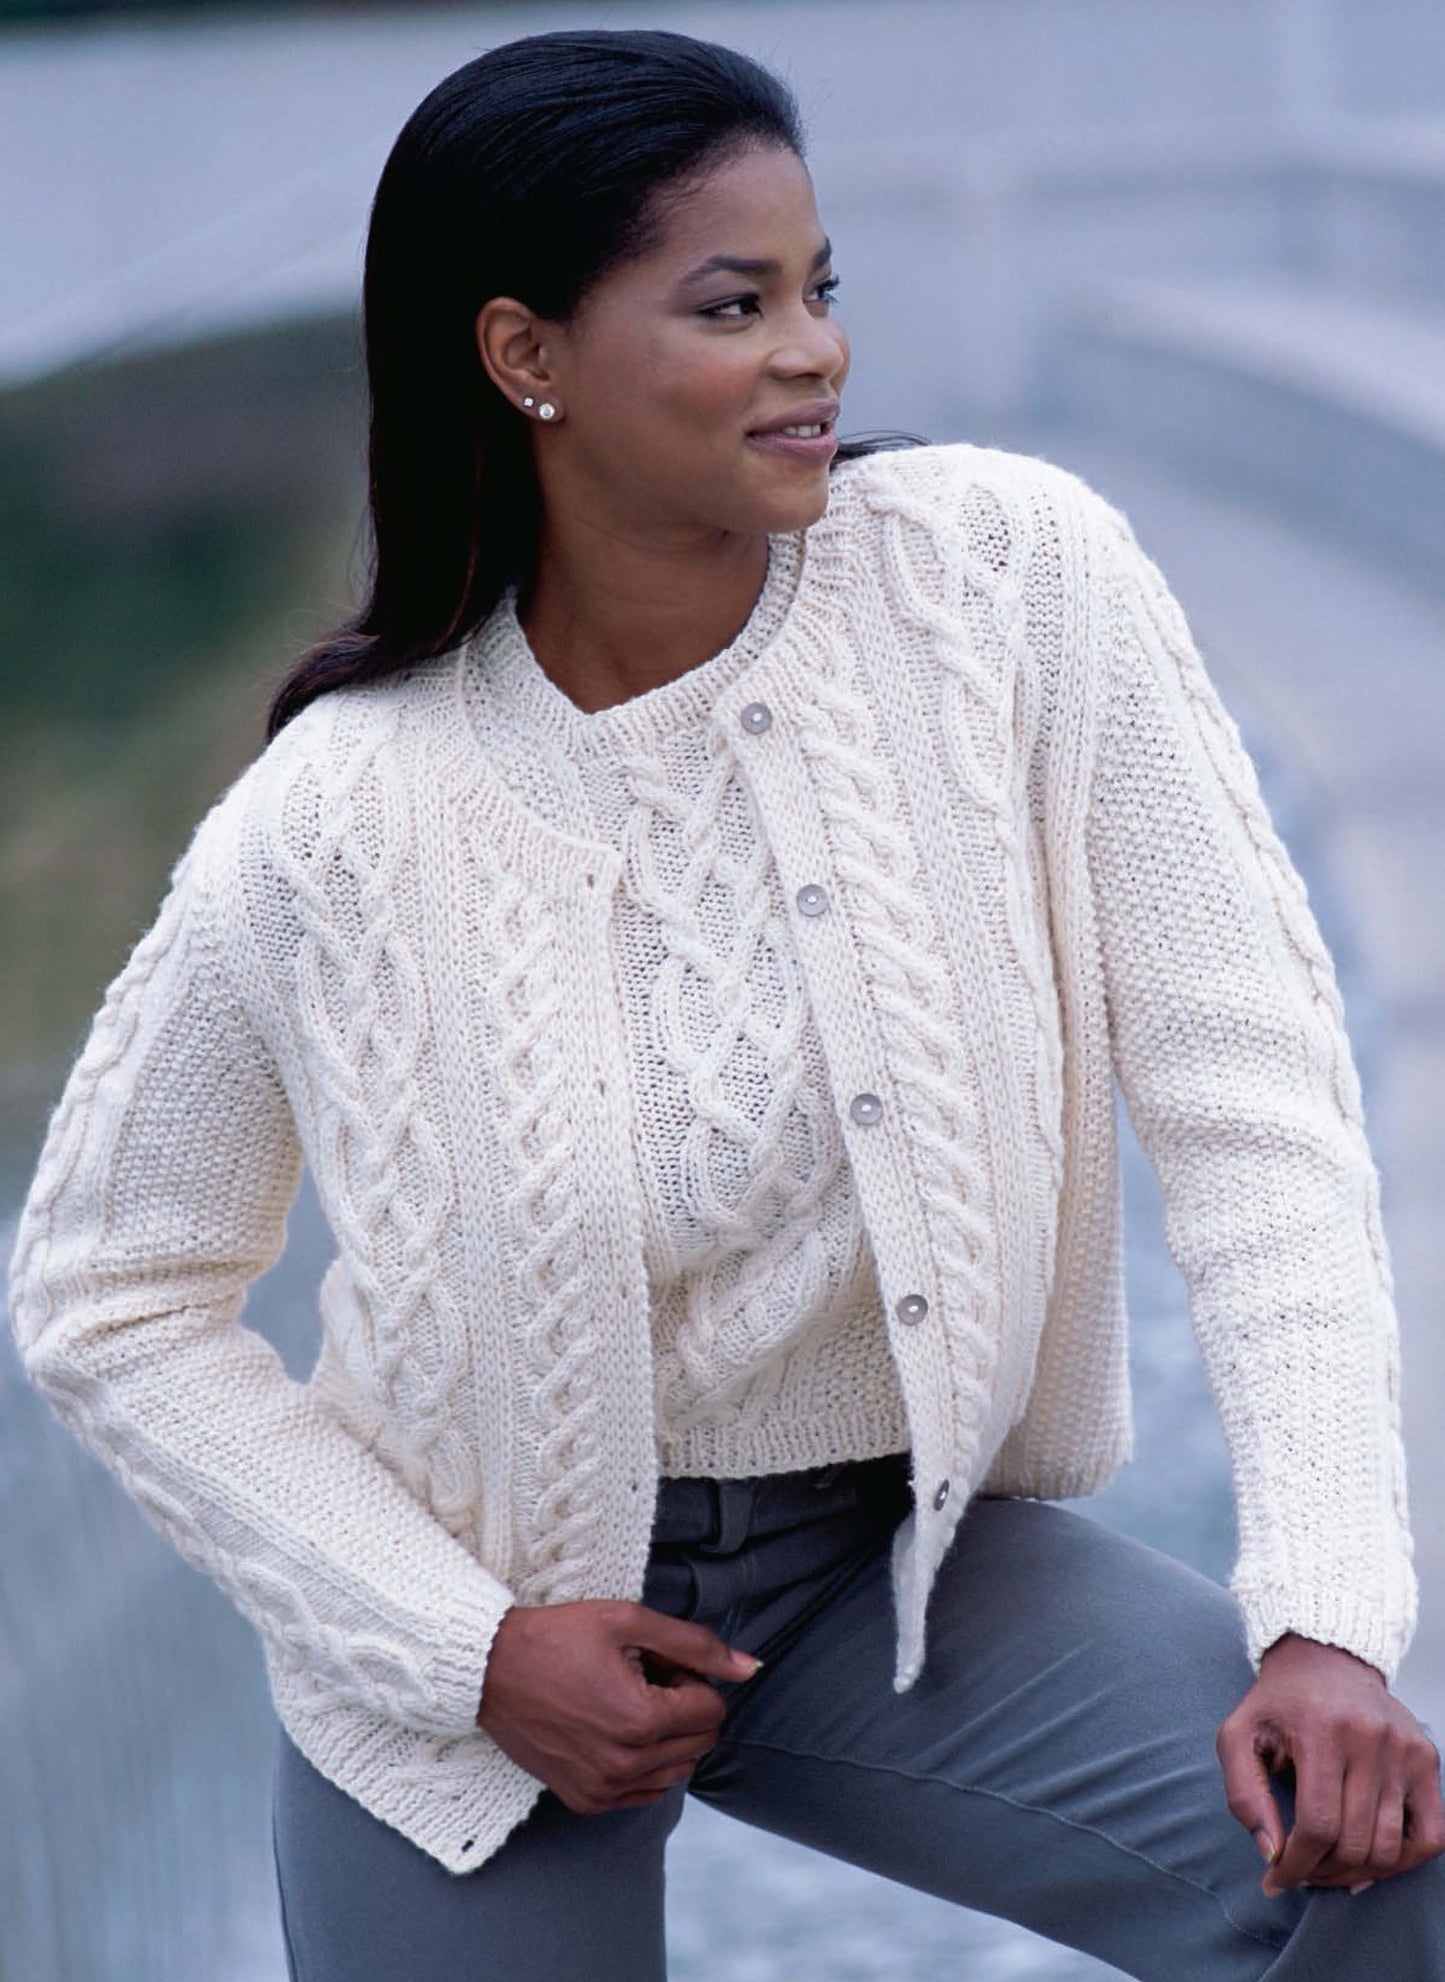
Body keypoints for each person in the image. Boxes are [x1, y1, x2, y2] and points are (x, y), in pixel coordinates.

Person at [7, 25, 1444, 1981]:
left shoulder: (1011, 585)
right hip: (479, 1615)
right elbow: (107, 1289)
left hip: (889, 1565)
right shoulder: (337, 816)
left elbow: (1253, 1099)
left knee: (1371, 1866)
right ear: (525, 355)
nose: (815, 351)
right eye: (731, 305)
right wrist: (463, 1646)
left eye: (817, 289)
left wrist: (1327, 1611)